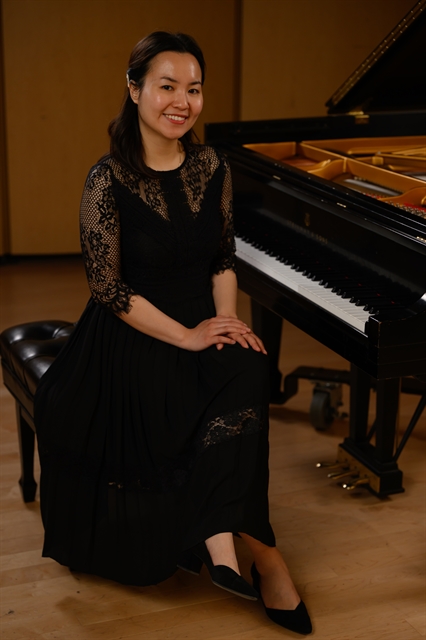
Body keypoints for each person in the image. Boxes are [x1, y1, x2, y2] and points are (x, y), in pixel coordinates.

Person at [34, 31, 312, 635]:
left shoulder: (213, 166)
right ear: (134, 90)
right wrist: (186, 337)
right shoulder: (106, 180)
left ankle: (227, 539)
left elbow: (222, 257)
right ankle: (257, 553)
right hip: (133, 328)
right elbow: (108, 289)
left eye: (194, 88)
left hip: (200, 314)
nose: (182, 102)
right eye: (167, 86)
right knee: (179, 385)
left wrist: (225, 322)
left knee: (246, 365)